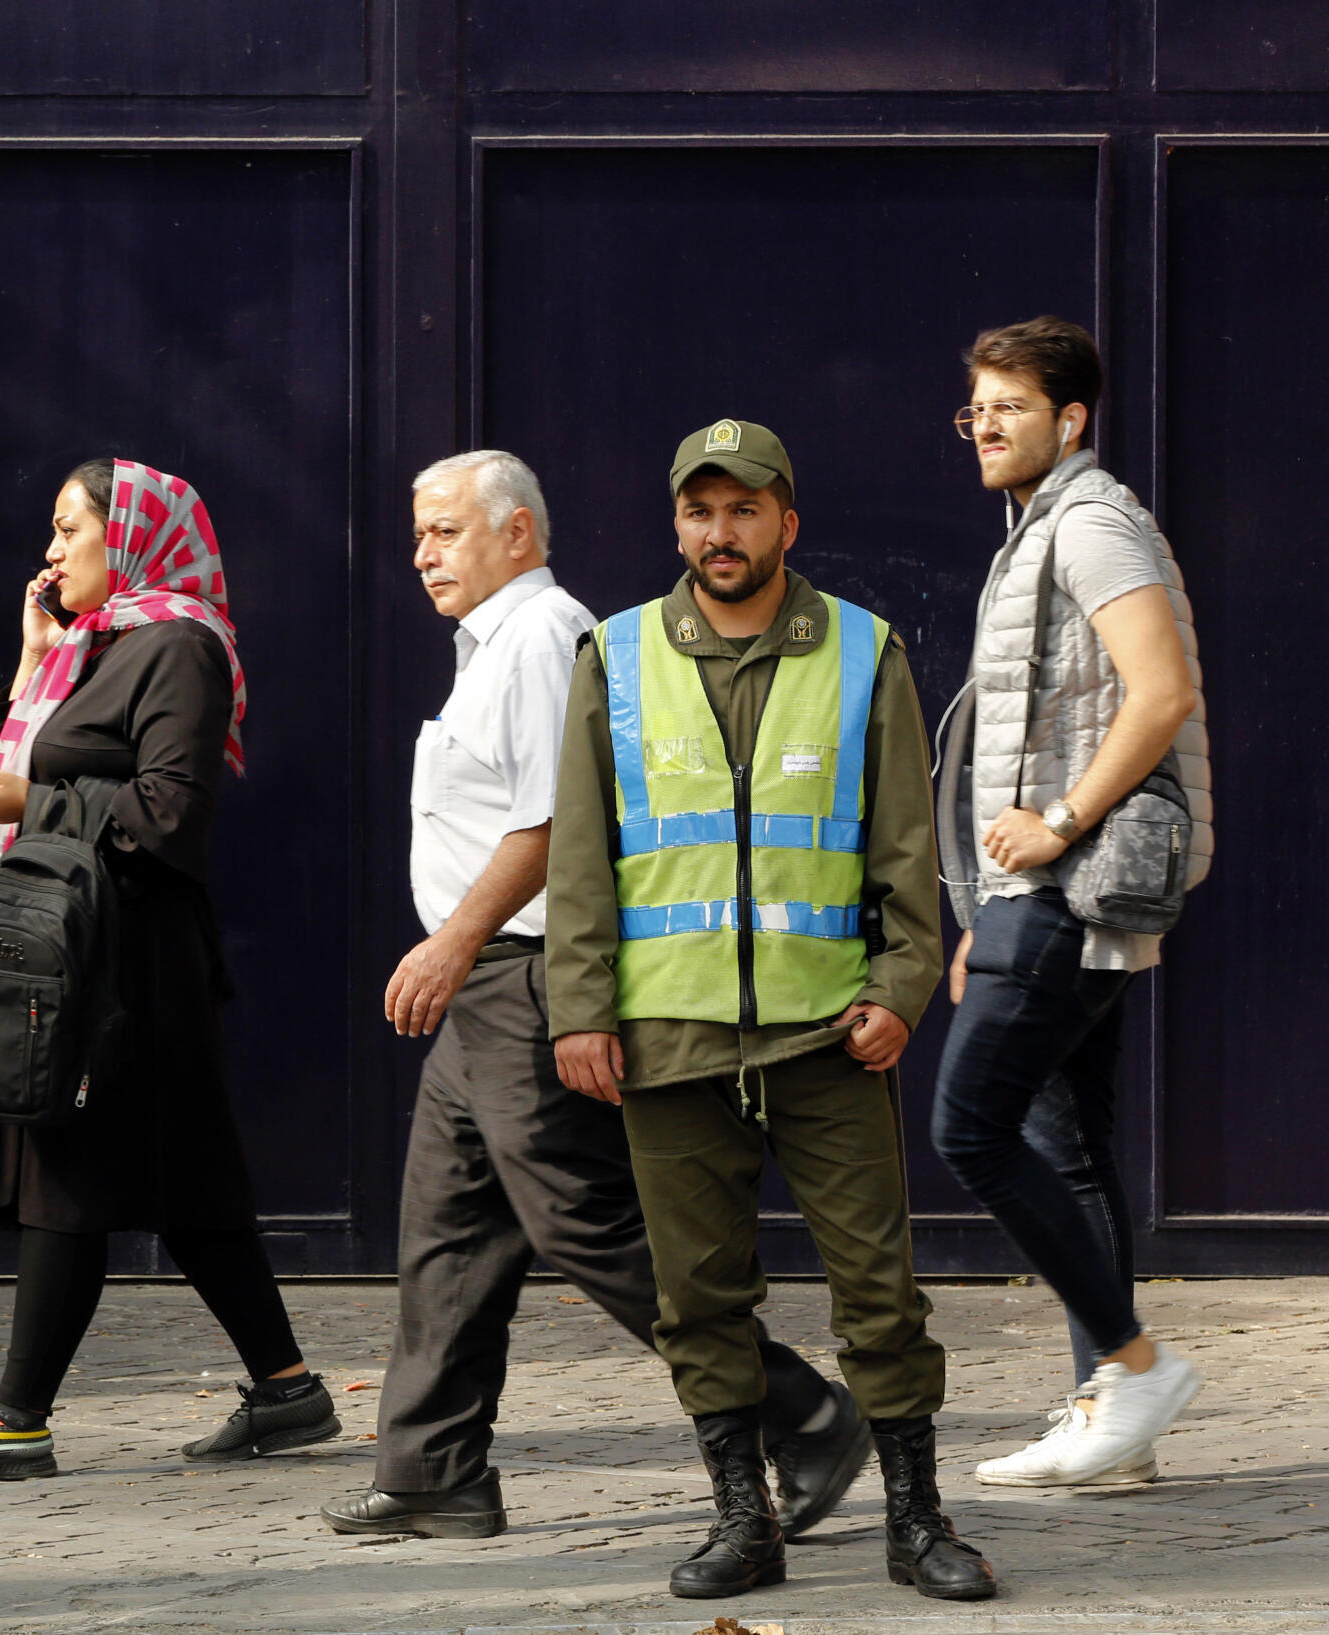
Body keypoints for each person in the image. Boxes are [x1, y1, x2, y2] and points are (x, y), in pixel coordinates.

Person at [319, 452, 866, 1544]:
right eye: (417, 534)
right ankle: (432, 1470)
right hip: (482, 986)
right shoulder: (491, 644)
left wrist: (450, 945)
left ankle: (802, 1414)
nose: (422, 554)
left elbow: (552, 823)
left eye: (445, 532)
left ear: (515, 532)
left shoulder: (537, 639)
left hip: (518, 977)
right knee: (446, 1227)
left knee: (587, 1224)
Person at [548, 420, 995, 1602]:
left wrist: (899, 988)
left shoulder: (862, 652)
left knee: (879, 1292)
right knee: (696, 1298)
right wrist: (576, 1011)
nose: (719, 531)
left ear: (784, 521)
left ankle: (915, 1522)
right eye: (698, 510)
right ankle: (743, 1522)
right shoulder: (615, 654)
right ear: (676, 524)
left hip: (826, 1036)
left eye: (742, 509)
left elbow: (907, 846)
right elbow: (581, 859)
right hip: (666, 1036)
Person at [0, 459, 335, 1479]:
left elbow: (169, 816)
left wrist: (32, 808)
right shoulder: (93, 649)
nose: (49, 553)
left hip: (127, 967)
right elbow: (42, 758)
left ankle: (16, 1418)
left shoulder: (178, 648)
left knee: (67, 1174)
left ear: (131, 536)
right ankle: (286, 1391)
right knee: (188, 1186)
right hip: (90, 952)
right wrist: (33, 660)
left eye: (69, 530)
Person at [931, 317, 1210, 1487]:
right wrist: (983, 903)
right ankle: (1115, 1416)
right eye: (973, 408)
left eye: (1007, 404)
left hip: (1068, 883)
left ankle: (1134, 1368)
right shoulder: (1039, 528)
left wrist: (1050, 828)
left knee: (969, 1126)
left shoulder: (1089, 524)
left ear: (1069, 419)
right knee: (1064, 1142)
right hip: (1034, 890)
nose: (985, 424)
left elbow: (1160, 692)